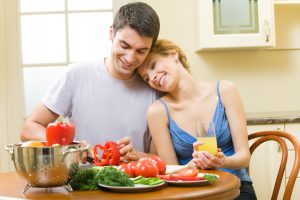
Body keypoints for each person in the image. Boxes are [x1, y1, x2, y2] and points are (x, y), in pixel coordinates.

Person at [20, 2, 160, 161]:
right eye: (124, 45)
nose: (130, 58)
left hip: (132, 182)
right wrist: (70, 145)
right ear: (111, 33)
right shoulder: (76, 75)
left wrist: (138, 155)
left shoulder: (153, 88)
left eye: (141, 51)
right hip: (82, 180)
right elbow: (28, 129)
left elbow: (160, 158)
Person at [138, 39, 257, 199]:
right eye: (146, 78)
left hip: (236, 188)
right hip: (190, 191)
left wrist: (223, 162)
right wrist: (190, 166)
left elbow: (244, 157)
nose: (152, 77)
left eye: (153, 66)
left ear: (173, 55)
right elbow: (170, 170)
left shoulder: (225, 90)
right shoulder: (157, 111)